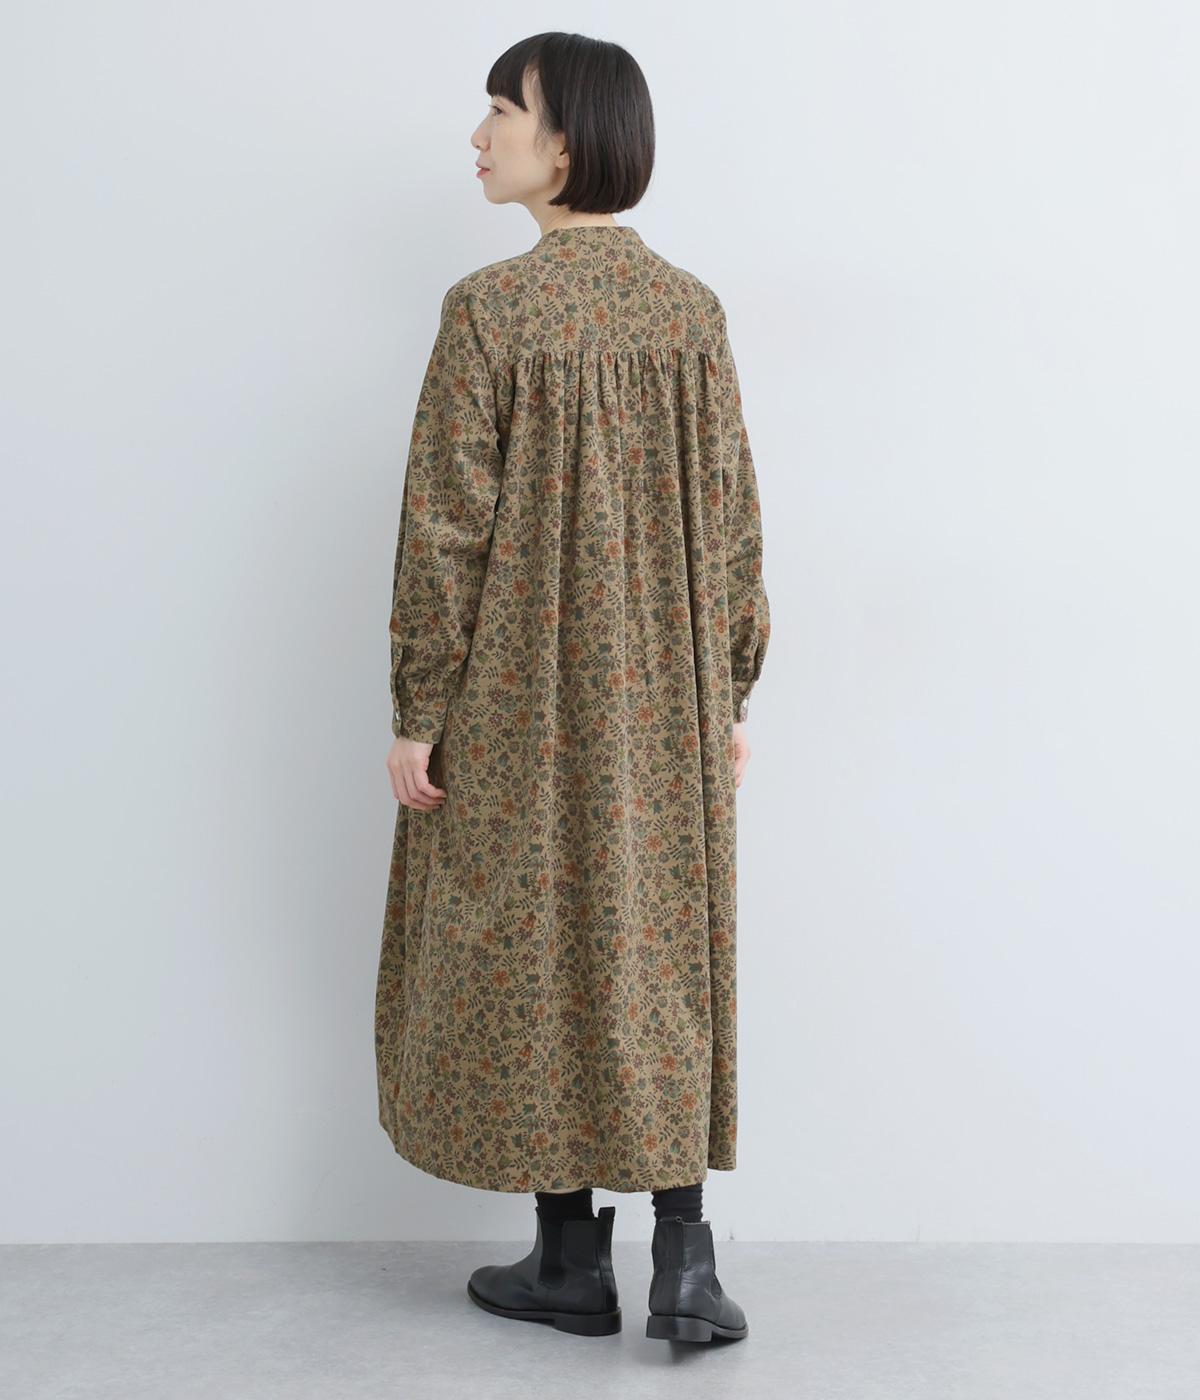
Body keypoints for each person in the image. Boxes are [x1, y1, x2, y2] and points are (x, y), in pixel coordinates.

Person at [376, 31, 770, 1345]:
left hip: (518, 700)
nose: (479, 134)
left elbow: (445, 528)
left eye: (503, 109)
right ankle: (683, 1263)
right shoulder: (691, 313)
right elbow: (735, 518)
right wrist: (728, 690)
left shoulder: (491, 310)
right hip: (665, 697)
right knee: (653, 944)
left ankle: (565, 1257)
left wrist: (419, 709)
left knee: (540, 940)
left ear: (566, 141)